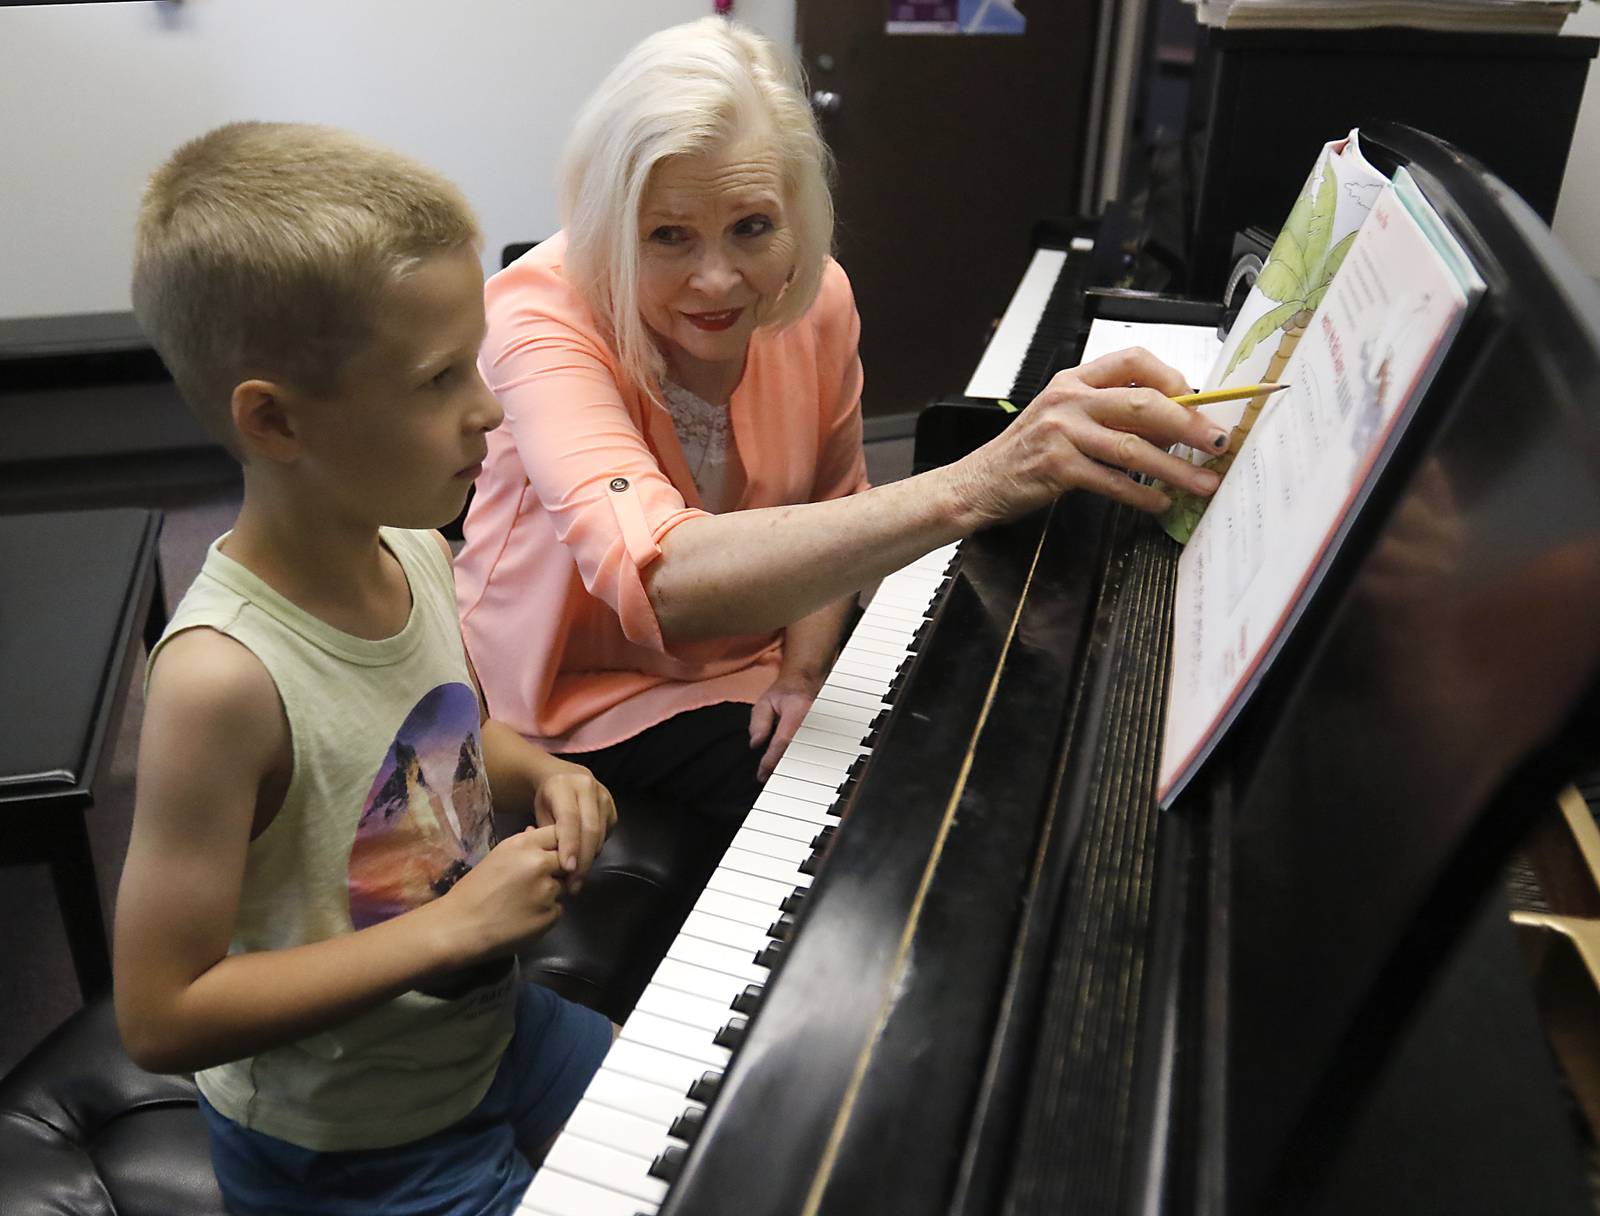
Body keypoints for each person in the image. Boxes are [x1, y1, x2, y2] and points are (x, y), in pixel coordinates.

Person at [454, 18, 1228, 854]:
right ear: (611, 225)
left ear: (798, 211)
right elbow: (661, 580)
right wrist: (979, 481)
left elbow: (830, 495)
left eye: (752, 226)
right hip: (579, 689)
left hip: (755, 647)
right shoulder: (535, 317)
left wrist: (803, 670)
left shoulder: (816, 296)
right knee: (879, 823)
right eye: (668, 235)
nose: (718, 280)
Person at [114, 121, 618, 1216]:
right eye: (439, 378)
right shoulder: (221, 683)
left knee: (717, 1129)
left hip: (489, 1036)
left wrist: (539, 771)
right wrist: (453, 926)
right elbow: (161, 1012)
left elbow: (439, 732)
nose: (488, 408)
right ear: (276, 419)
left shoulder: (416, 545)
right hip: (350, 1144)